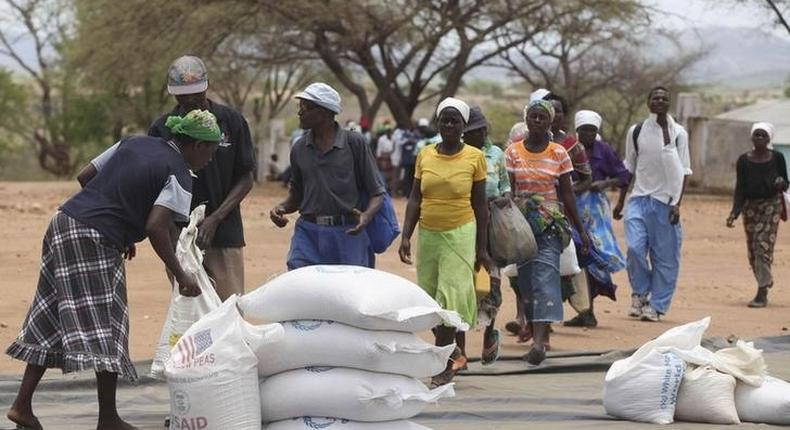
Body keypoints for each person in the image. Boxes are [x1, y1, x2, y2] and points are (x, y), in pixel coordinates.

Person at [6, 110, 221, 430]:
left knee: (49, 316)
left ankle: (22, 405)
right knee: (110, 323)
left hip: (63, 223)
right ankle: (108, 418)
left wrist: (120, 224)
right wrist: (180, 274)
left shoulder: (134, 143)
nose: (211, 159)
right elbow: (157, 227)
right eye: (211, 151)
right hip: (95, 238)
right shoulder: (180, 172)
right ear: (196, 145)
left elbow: (85, 176)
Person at [398, 97, 491, 387]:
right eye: (444, 120)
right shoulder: (425, 154)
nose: (449, 125)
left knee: (450, 295)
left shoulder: (475, 157)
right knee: (432, 298)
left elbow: (481, 205)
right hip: (429, 233)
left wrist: (482, 248)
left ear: (464, 126)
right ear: (438, 123)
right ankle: (454, 352)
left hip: (461, 231)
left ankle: (446, 364)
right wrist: (406, 235)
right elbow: (415, 198)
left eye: (455, 121)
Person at [148, 55, 255, 301]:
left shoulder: (232, 121)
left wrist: (215, 219)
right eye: (182, 96)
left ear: (206, 86)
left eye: (195, 94)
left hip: (224, 233)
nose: (189, 101)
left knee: (228, 307)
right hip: (179, 238)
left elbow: (245, 177)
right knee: (189, 311)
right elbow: (154, 184)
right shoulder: (162, 128)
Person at [505, 99, 590, 365]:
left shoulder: (558, 154)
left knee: (545, 279)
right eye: (534, 116)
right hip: (520, 226)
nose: (538, 121)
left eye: (543, 117)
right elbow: (508, 190)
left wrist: (581, 231)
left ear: (550, 121)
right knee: (527, 281)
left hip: (549, 225)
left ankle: (540, 342)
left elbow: (567, 194)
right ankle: (534, 334)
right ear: (527, 120)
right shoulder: (513, 152)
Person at [269, 82, 385, 269]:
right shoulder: (299, 147)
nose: (300, 113)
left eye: (305, 108)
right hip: (308, 233)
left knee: (347, 293)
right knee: (301, 286)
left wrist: (367, 216)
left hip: (347, 234)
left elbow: (377, 193)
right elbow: (297, 195)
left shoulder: (354, 144)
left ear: (324, 112)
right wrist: (281, 208)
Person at [615, 86, 692, 322]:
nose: (659, 101)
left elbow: (684, 172)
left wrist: (677, 204)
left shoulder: (679, 133)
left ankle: (657, 305)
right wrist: (620, 201)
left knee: (665, 257)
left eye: (664, 98)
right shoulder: (636, 131)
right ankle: (640, 293)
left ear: (669, 103)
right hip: (638, 199)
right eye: (655, 97)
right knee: (636, 249)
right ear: (648, 102)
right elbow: (629, 167)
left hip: (666, 202)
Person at [564, 110, 629, 327]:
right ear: (577, 131)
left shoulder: (604, 150)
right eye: (584, 130)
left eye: (592, 131)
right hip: (572, 205)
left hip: (595, 209)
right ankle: (584, 308)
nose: (588, 135)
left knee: (593, 255)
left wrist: (605, 184)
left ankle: (588, 308)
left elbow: (624, 176)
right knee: (575, 256)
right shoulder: (569, 149)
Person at [462, 106, 511, 365]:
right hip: (461, 226)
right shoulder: (458, 154)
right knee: (462, 285)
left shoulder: (497, 155)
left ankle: (490, 332)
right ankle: (457, 344)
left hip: (490, 228)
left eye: (479, 131)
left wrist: (501, 200)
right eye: (470, 132)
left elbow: (506, 187)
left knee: (490, 282)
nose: (476, 136)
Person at [726, 122, 788, 307]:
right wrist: (734, 212)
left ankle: (762, 293)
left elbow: (786, 182)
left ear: (769, 139)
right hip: (750, 207)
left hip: (771, 205)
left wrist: (780, 183)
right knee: (753, 251)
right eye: (757, 135)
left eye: (763, 136)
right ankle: (765, 278)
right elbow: (740, 188)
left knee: (762, 246)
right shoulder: (744, 160)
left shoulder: (777, 157)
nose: (759, 139)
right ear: (752, 138)